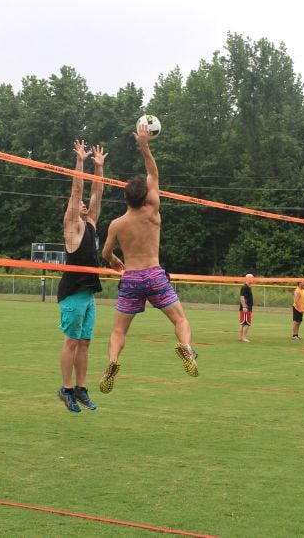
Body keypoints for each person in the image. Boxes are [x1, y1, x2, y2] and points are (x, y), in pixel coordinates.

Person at [99, 122, 198, 393]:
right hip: (154, 274)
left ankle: (112, 362)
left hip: (131, 277)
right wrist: (144, 146)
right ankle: (187, 350)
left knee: (119, 331)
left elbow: (106, 253)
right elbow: (152, 172)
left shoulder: (117, 224)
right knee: (180, 320)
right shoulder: (152, 210)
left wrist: (113, 260)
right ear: (146, 196)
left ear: (125, 196)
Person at [56, 140, 107, 413]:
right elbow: (77, 191)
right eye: (79, 205)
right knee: (71, 341)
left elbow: (96, 193)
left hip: (88, 295)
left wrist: (99, 168)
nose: (84, 204)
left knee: (85, 343)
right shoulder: (72, 228)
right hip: (73, 293)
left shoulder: (90, 224)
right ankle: (65, 389)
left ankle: (81, 387)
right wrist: (80, 162)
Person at [239, 274, 254, 342]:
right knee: (247, 323)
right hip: (246, 308)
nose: (253, 280)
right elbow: (242, 297)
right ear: (248, 278)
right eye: (252, 278)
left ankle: (241, 337)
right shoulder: (244, 287)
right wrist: (244, 307)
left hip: (248, 308)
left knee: (243, 323)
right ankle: (244, 337)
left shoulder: (248, 287)